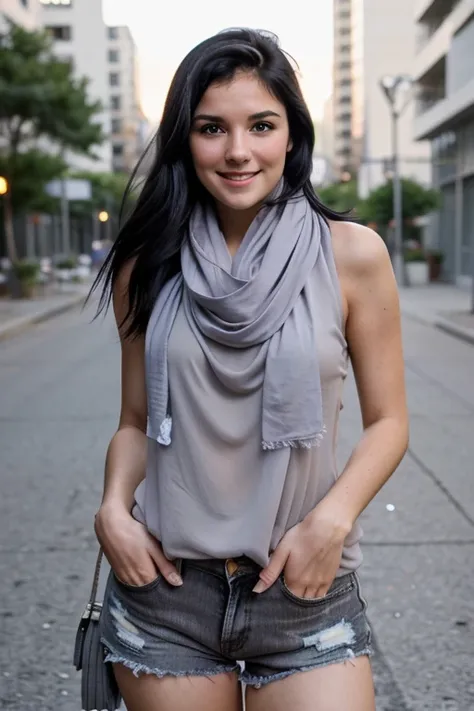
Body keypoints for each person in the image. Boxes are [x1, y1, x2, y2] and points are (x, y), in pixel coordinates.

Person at [92, 27, 408, 711]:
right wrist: (113, 509)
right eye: (212, 128)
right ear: (186, 139)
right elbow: (134, 422)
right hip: (168, 590)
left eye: (261, 125)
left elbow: (390, 422)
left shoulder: (352, 255)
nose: (238, 151)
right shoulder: (148, 263)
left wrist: (332, 520)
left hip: (303, 588)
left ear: (291, 135)